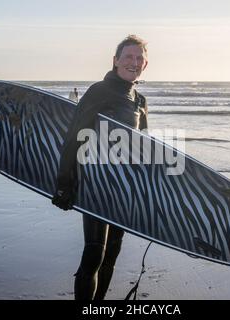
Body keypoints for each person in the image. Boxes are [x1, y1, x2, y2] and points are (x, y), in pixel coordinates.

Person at [52, 35, 149, 300]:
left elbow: (143, 147)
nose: (134, 62)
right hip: (96, 183)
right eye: (128, 56)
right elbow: (75, 136)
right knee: (94, 252)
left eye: (139, 58)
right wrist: (64, 183)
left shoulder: (140, 101)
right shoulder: (99, 91)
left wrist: (145, 191)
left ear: (146, 64)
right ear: (116, 61)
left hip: (124, 188)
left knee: (112, 255)